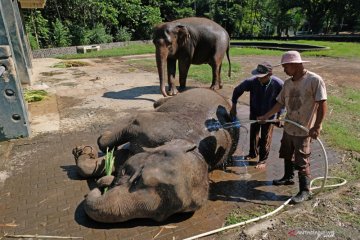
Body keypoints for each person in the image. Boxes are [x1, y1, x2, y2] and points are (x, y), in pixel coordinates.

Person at [257, 51, 327, 204]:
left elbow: (322, 103)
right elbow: (280, 103)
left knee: (302, 159)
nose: (284, 70)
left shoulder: (314, 80)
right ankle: (288, 178)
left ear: (295, 65)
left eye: (285, 66)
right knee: (286, 152)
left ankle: (305, 190)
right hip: (290, 126)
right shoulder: (288, 83)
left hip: (304, 128)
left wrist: (317, 126)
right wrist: (266, 116)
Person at [230, 62, 284, 169]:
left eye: (262, 77)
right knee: (253, 133)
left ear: (269, 75)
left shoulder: (279, 84)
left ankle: (263, 160)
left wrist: (280, 116)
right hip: (255, 111)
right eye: (257, 76)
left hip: (270, 115)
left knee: (265, 137)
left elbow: (283, 101)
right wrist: (234, 105)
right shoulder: (252, 81)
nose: (259, 79)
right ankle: (253, 153)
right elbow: (237, 90)